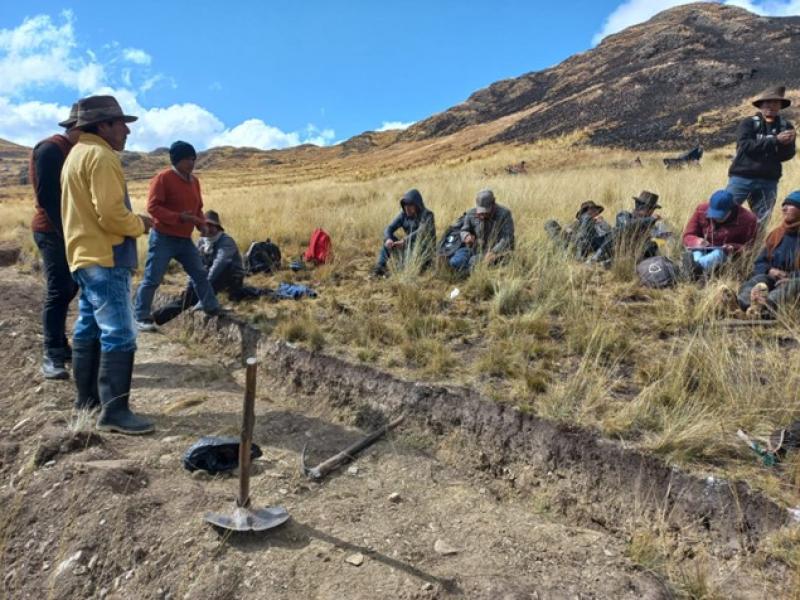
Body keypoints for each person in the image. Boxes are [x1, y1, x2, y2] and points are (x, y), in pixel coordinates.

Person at [61, 95, 154, 434]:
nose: (126, 130)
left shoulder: (76, 155)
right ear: (103, 126)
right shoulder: (101, 157)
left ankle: (87, 401)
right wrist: (140, 224)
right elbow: (112, 215)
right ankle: (115, 413)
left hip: (83, 256)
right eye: (120, 123)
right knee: (120, 331)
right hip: (106, 256)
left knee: (89, 326)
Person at [133, 141, 221, 331]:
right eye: (189, 159)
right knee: (153, 278)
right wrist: (179, 217)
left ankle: (211, 307)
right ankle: (141, 316)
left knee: (199, 273)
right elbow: (153, 207)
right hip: (163, 237)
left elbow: (198, 207)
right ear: (178, 160)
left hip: (184, 239)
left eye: (194, 158)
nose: (192, 162)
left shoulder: (194, 181)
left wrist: (200, 224)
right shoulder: (163, 178)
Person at [30, 103, 81, 379]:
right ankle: (52, 353)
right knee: (59, 289)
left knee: (69, 286)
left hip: (66, 230)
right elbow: (48, 198)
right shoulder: (51, 149)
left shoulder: (71, 150)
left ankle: (60, 343)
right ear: (75, 128)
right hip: (52, 230)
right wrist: (67, 234)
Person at [153, 211, 262, 325]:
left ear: (217, 227)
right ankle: (157, 317)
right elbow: (193, 266)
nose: (209, 229)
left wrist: (203, 285)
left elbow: (219, 264)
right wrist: (191, 285)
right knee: (189, 296)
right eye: (206, 225)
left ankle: (206, 303)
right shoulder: (201, 242)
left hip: (230, 278)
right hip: (211, 279)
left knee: (220, 270)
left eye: (212, 225)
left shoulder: (226, 241)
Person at [727, 86, 796, 230]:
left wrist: (788, 145)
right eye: (768, 102)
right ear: (761, 105)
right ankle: (718, 246)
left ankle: (755, 251)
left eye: (776, 103)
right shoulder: (749, 123)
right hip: (742, 177)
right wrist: (775, 140)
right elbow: (745, 146)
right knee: (726, 212)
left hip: (768, 181)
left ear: (780, 106)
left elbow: (786, 156)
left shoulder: (786, 126)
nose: (771, 106)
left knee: (761, 222)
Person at [737, 191, 800, 316]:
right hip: (774, 278)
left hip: (794, 281)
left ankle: (764, 306)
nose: (784, 208)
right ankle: (745, 304)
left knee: (792, 286)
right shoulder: (776, 233)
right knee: (757, 280)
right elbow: (760, 262)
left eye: (790, 205)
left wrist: (790, 277)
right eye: (783, 205)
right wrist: (769, 270)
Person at [682, 190, 758, 275]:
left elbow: (749, 248)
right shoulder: (701, 210)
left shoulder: (748, 219)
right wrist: (697, 241)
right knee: (697, 250)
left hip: (726, 256)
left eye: (720, 215)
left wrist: (733, 247)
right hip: (702, 249)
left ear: (731, 210)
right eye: (712, 214)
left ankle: (692, 269)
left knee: (718, 253)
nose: (715, 218)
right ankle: (695, 270)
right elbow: (688, 235)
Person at [590, 191, 667, 264]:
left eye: (652, 209)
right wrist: (650, 219)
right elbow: (626, 227)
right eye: (649, 209)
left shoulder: (651, 224)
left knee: (652, 245)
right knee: (617, 232)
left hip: (635, 256)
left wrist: (661, 237)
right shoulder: (623, 215)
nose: (651, 212)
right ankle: (596, 257)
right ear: (639, 207)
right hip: (614, 251)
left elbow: (663, 239)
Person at [449, 189, 515, 273]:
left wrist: (494, 252)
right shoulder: (470, 213)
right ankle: (468, 273)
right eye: (480, 213)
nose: (482, 216)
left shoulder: (504, 214)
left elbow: (507, 238)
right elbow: (464, 230)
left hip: (496, 253)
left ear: (493, 203)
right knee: (455, 261)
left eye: (486, 212)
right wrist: (466, 236)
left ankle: (469, 275)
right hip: (474, 249)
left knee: (473, 261)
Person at [373, 188, 436, 276]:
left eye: (410, 205)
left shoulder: (428, 215)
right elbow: (389, 228)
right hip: (407, 247)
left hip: (423, 253)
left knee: (404, 267)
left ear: (417, 205)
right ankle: (380, 267)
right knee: (387, 240)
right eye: (405, 205)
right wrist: (388, 239)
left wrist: (405, 241)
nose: (407, 208)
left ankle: (395, 272)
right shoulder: (403, 215)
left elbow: (422, 231)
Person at [544, 200, 612, 260]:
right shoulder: (577, 224)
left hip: (591, 243)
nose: (595, 212)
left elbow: (608, 235)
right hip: (574, 242)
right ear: (583, 213)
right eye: (590, 210)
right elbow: (567, 232)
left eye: (595, 210)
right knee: (550, 223)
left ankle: (574, 255)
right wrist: (566, 230)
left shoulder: (601, 223)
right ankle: (563, 250)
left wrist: (601, 222)